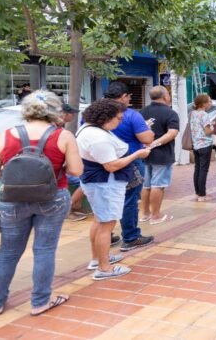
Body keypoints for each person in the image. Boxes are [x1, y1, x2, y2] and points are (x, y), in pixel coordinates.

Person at [0, 91, 82, 315]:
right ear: (56, 111)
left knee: (7, 252)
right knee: (44, 250)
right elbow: (76, 171)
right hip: (52, 197)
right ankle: (40, 302)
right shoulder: (63, 136)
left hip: (12, 200)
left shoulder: (6, 135)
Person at [78, 98, 151, 281]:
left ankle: (98, 259)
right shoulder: (97, 137)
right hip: (105, 184)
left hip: (99, 183)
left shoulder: (90, 130)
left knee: (99, 221)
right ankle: (104, 268)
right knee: (106, 225)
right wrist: (137, 154)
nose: (120, 122)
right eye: (118, 118)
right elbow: (111, 165)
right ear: (106, 117)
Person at [104, 81, 154, 252]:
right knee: (129, 200)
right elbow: (147, 139)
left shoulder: (94, 113)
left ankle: (105, 235)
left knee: (106, 199)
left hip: (100, 163)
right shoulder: (131, 115)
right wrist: (147, 129)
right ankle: (130, 237)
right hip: (129, 162)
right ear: (124, 97)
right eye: (129, 97)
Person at [139, 86, 179, 225]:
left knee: (147, 185)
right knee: (158, 185)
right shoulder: (170, 113)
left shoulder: (142, 112)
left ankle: (145, 214)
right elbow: (172, 133)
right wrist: (154, 144)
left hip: (144, 154)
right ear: (165, 96)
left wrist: (146, 145)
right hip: (162, 155)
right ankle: (156, 216)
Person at [57, 103, 87, 221]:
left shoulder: (60, 129)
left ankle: (76, 206)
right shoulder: (60, 132)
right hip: (59, 172)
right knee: (86, 180)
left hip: (58, 170)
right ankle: (68, 210)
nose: (73, 115)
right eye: (71, 113)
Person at [190, 94, 215, 202]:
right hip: (205, 145)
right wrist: (214, 126)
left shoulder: (193, 113)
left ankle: (198, 192)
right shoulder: (204, 114)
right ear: (203, 103)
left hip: (196, 144)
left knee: (197, 169)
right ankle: (202, 195)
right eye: (209, 101)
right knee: (203, 170)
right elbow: (207, 131)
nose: (211, 103)